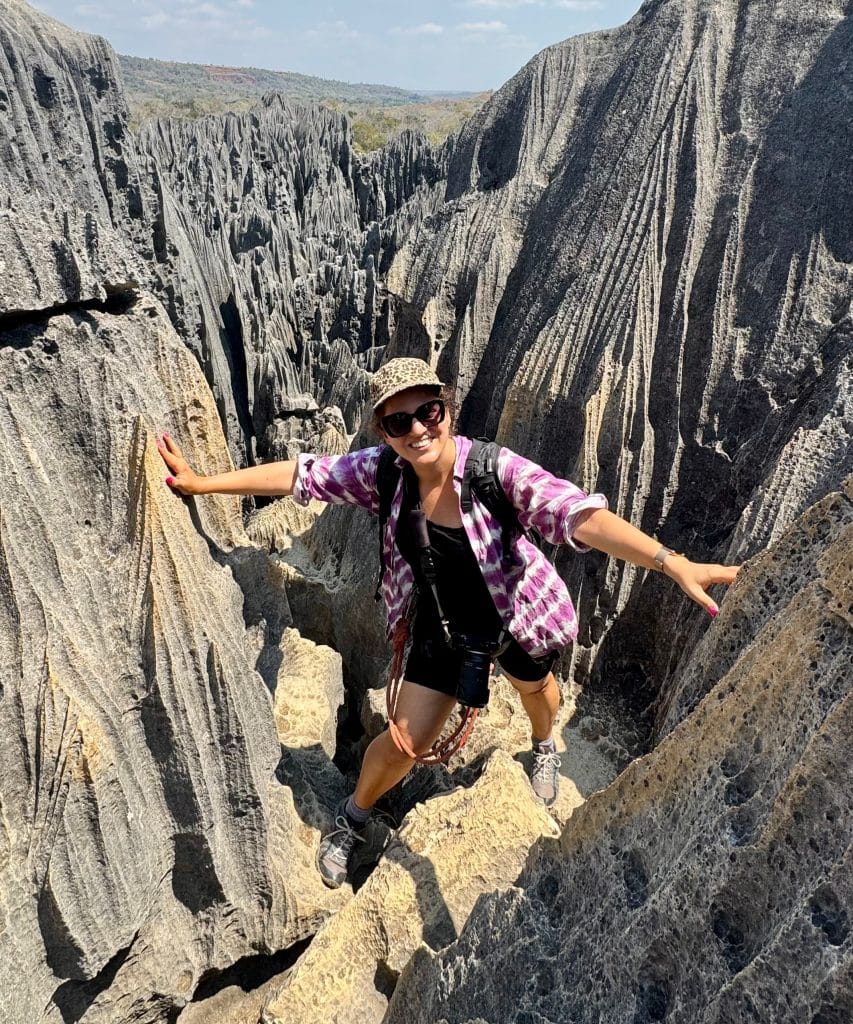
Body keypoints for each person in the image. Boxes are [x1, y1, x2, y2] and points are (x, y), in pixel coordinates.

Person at [158, 358, 739, 888]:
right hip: (439, 624)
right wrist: (203, 484)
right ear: (383, 433)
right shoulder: (383, 473)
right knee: (406, 742)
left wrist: (670, 562)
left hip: (514, 614)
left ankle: (544, 744)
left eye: (427, 412)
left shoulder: (493, 471)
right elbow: (302, 476)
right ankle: (354, 816)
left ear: (447, 408)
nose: (416, 430)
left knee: (536, 689)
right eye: (397, 422)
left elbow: (578, 515)